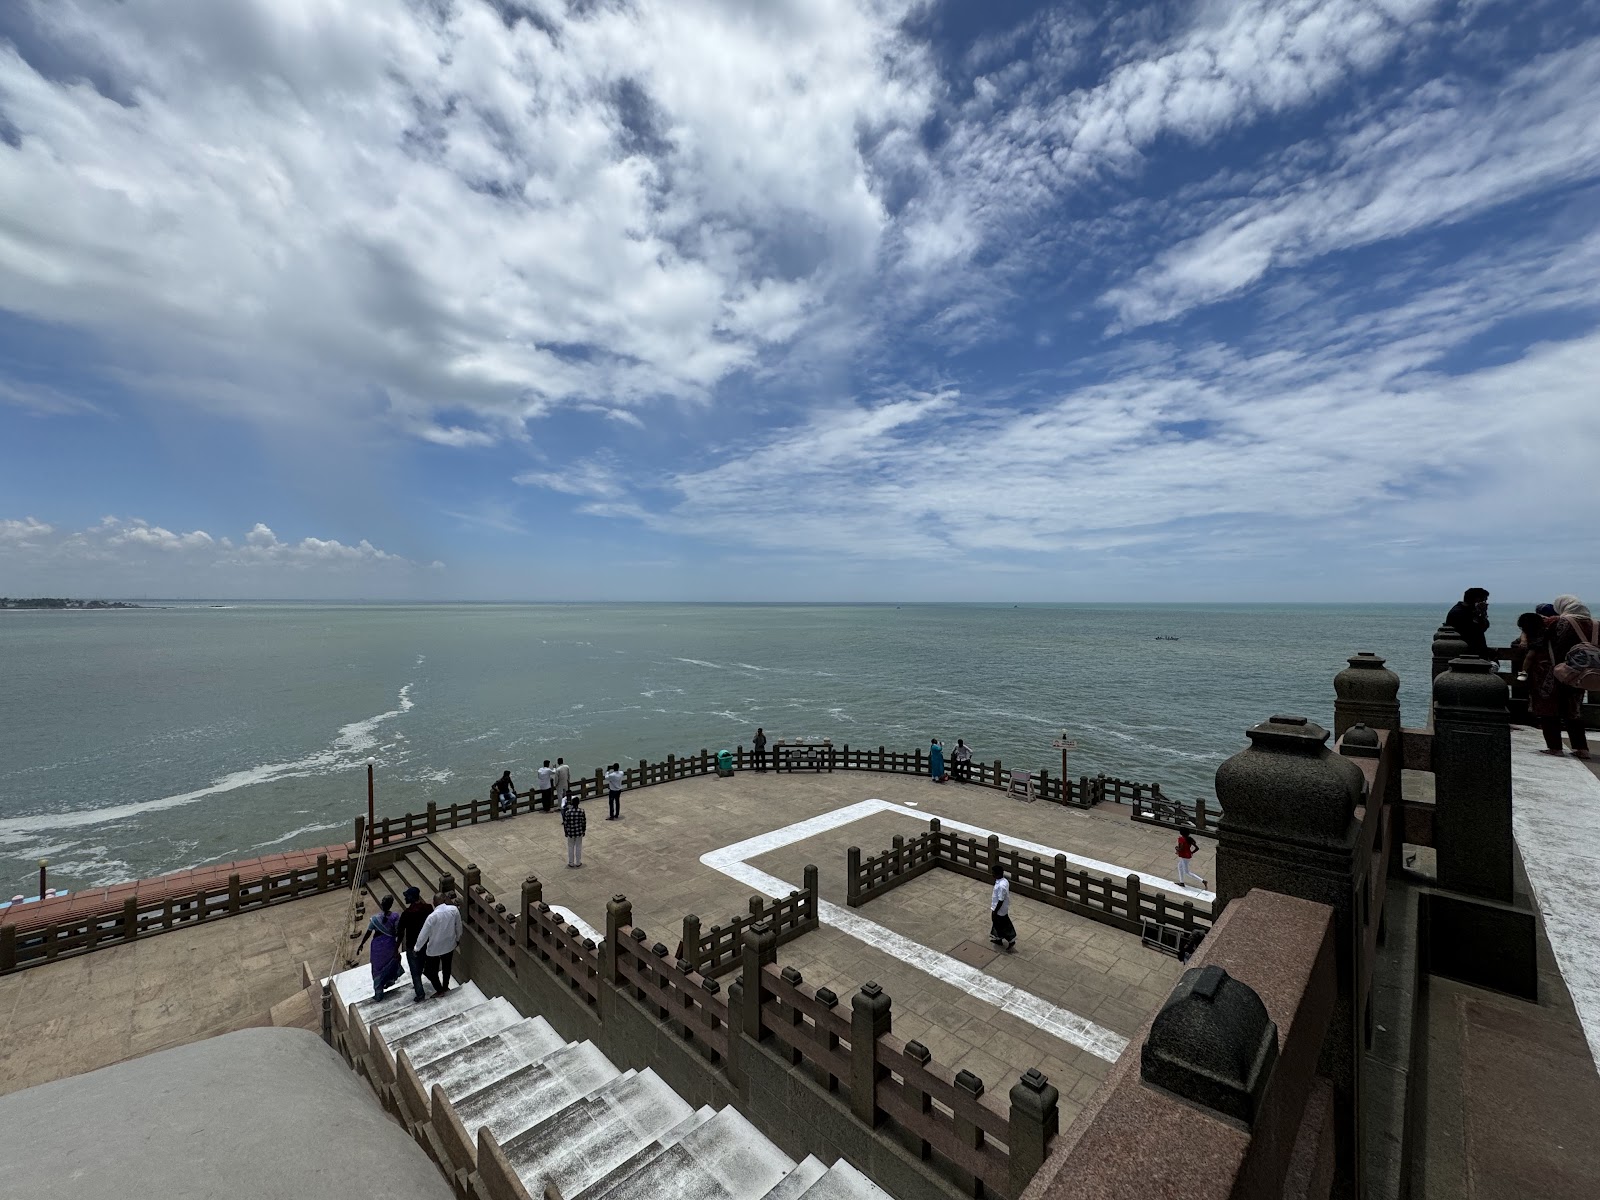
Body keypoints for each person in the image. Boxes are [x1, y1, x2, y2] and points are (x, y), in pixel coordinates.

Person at [1546, 596, 1596, 759]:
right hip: (1583, 672)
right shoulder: (1595, 624)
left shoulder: (1559, 622)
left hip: (1560, 671)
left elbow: (1543, 641)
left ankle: (1555, 747)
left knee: (1551, 708)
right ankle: (1581, 748)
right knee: (1574, 710)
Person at [415, 891, 463, 997]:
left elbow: (423, 935)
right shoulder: (454, 910)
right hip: (449, 944)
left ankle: (439, 989)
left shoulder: (432, 917)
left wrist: (417, 948)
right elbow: (458, 926)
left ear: (434, 902)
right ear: (444, 900)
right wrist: (457, 938)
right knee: (447, 967)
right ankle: (445, 986)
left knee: (431, 971)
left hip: (434, 949)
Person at [356, 894, 403, 999]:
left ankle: (378, 993)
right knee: (389, 964)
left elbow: (368, 932)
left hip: (377, 947)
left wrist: (361, 944)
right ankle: (388, 981)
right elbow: (399, 933)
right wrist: (396, 947)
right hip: (390, 945)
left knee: (377, 969)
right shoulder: (395, 917)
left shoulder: (375, 919)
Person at [396, 886, 434, 1002]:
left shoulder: (406, 914)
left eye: (407, 896)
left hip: (412, 946)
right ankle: (433, 986)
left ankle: (420, 993)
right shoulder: (428, 908)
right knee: (424, 966)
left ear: (411, 898)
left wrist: (396, 948)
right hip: (426, 943)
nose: (405, 898)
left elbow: (400, 932)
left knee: (415, 971)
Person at [1445, 587, 1492, 660]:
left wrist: (1482, 613)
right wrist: (1479, 614)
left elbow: (1485, 626)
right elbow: (1474, 630)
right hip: (1466, 655)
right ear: (1477, 600)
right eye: (1484, 601)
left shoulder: (1472, 611)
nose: (1485, 603)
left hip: (1476, 654)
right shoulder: (1458, 613)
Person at [989, 864, 1016, 952]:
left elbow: (1001, 900)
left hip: (999, 910)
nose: (992, 874)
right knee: (997, 923)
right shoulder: (1004, 881)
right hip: (999, 908)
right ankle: (998, 938)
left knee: (1002, 925)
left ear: (998, 874)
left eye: (993, 873)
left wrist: (995, 911)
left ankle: (1011, 940)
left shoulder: (1001, 886)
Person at [563, 791, 588, 868]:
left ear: (572, 803)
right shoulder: (581, 811)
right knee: (578, 846)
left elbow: (565, 823)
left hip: (570, 832)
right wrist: (584, 831)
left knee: (570, 847)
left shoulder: (568, 812)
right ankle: (578, 862)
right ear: (578, 803)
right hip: (579, 831)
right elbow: (584, 822)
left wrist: (566, 832)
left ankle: (571, 862)